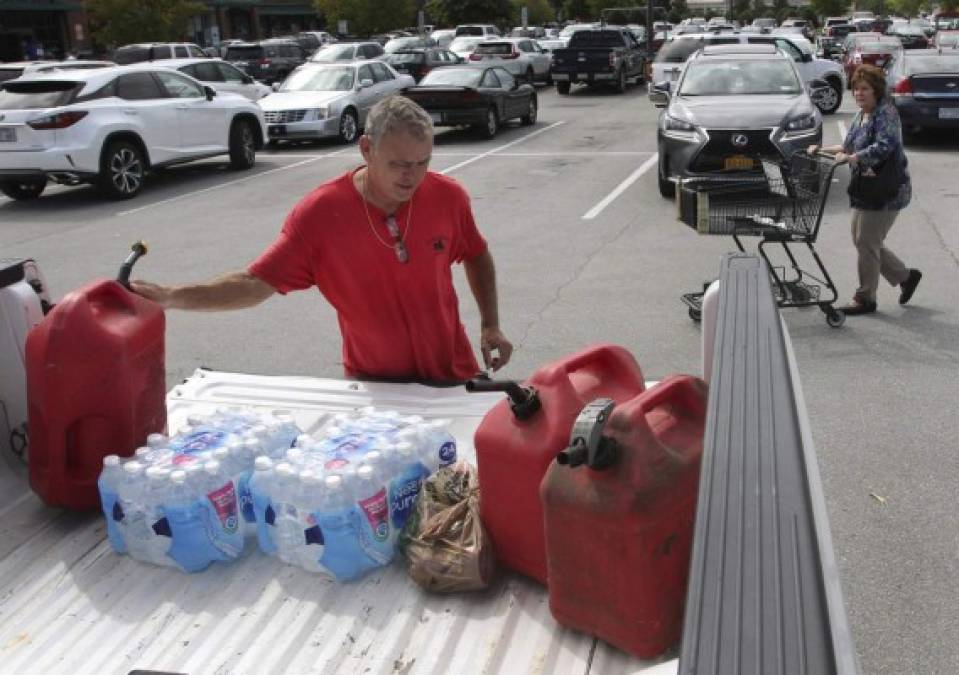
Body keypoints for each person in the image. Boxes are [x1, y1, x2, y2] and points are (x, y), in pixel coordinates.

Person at [131, 95, 512, 383]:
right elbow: (255, 284)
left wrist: (490, 323)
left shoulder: (448, 196)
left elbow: (476, 253)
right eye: (398, 163)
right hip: (375, 385)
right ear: (366, 149)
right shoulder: (320, 214)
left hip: (453, 373)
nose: (411, 177)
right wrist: (171, 296)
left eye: (422, 162)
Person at [808, 64, 921, 316]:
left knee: (866, 242)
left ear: (876, 91)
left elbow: (885, 146)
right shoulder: (862, 115)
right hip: (866, 188)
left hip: (887, 189)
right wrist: (821, 149)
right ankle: (905, 276)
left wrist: (856, 158)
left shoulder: (886, 113)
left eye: (865, 89)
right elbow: (847, 147)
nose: (859, 94)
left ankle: (865, 298)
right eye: (856, 89)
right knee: (864, 241)